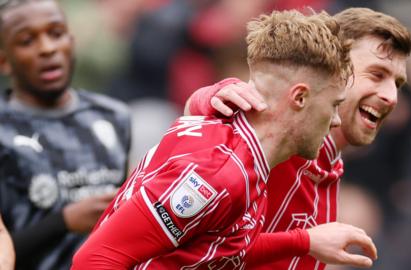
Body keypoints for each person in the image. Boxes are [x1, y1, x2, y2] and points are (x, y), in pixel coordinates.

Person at [72, 9, 376, 269]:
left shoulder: (247, 155)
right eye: (334, 105)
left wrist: (304, 240)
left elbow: (217, 247)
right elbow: (95, 259)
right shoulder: (219, 173)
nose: (336, 119)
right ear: (299, 98)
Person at [186, 7, 411, 269]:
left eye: (397, 84)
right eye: (377, 75)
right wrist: (208, 97)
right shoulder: (277, 130)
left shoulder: (329, 167)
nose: (391, 97)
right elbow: (198, 244)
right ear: (336, 68)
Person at [0, 1, 131, 269]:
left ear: (72, 41)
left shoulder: (113, 116)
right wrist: (63, 222)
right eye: (27, 41)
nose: (48, 48)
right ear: (4, 61)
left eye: (57, 33)